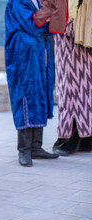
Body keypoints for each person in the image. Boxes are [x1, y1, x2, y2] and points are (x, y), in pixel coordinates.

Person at [4, 0, 59, 167]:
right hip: (23, 57)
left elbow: (49, 28)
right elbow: (32, 24)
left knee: (39, 96)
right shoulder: (17, 2)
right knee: (25, 99)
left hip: (40, 55)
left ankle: (36, 147)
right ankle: (24, 149)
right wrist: (50, 13)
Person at [52, 0, 92, 156]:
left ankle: (86, 139)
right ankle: (67, 141)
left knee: (87, 95)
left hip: (87, 50)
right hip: (68, 51)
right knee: (70, 95)